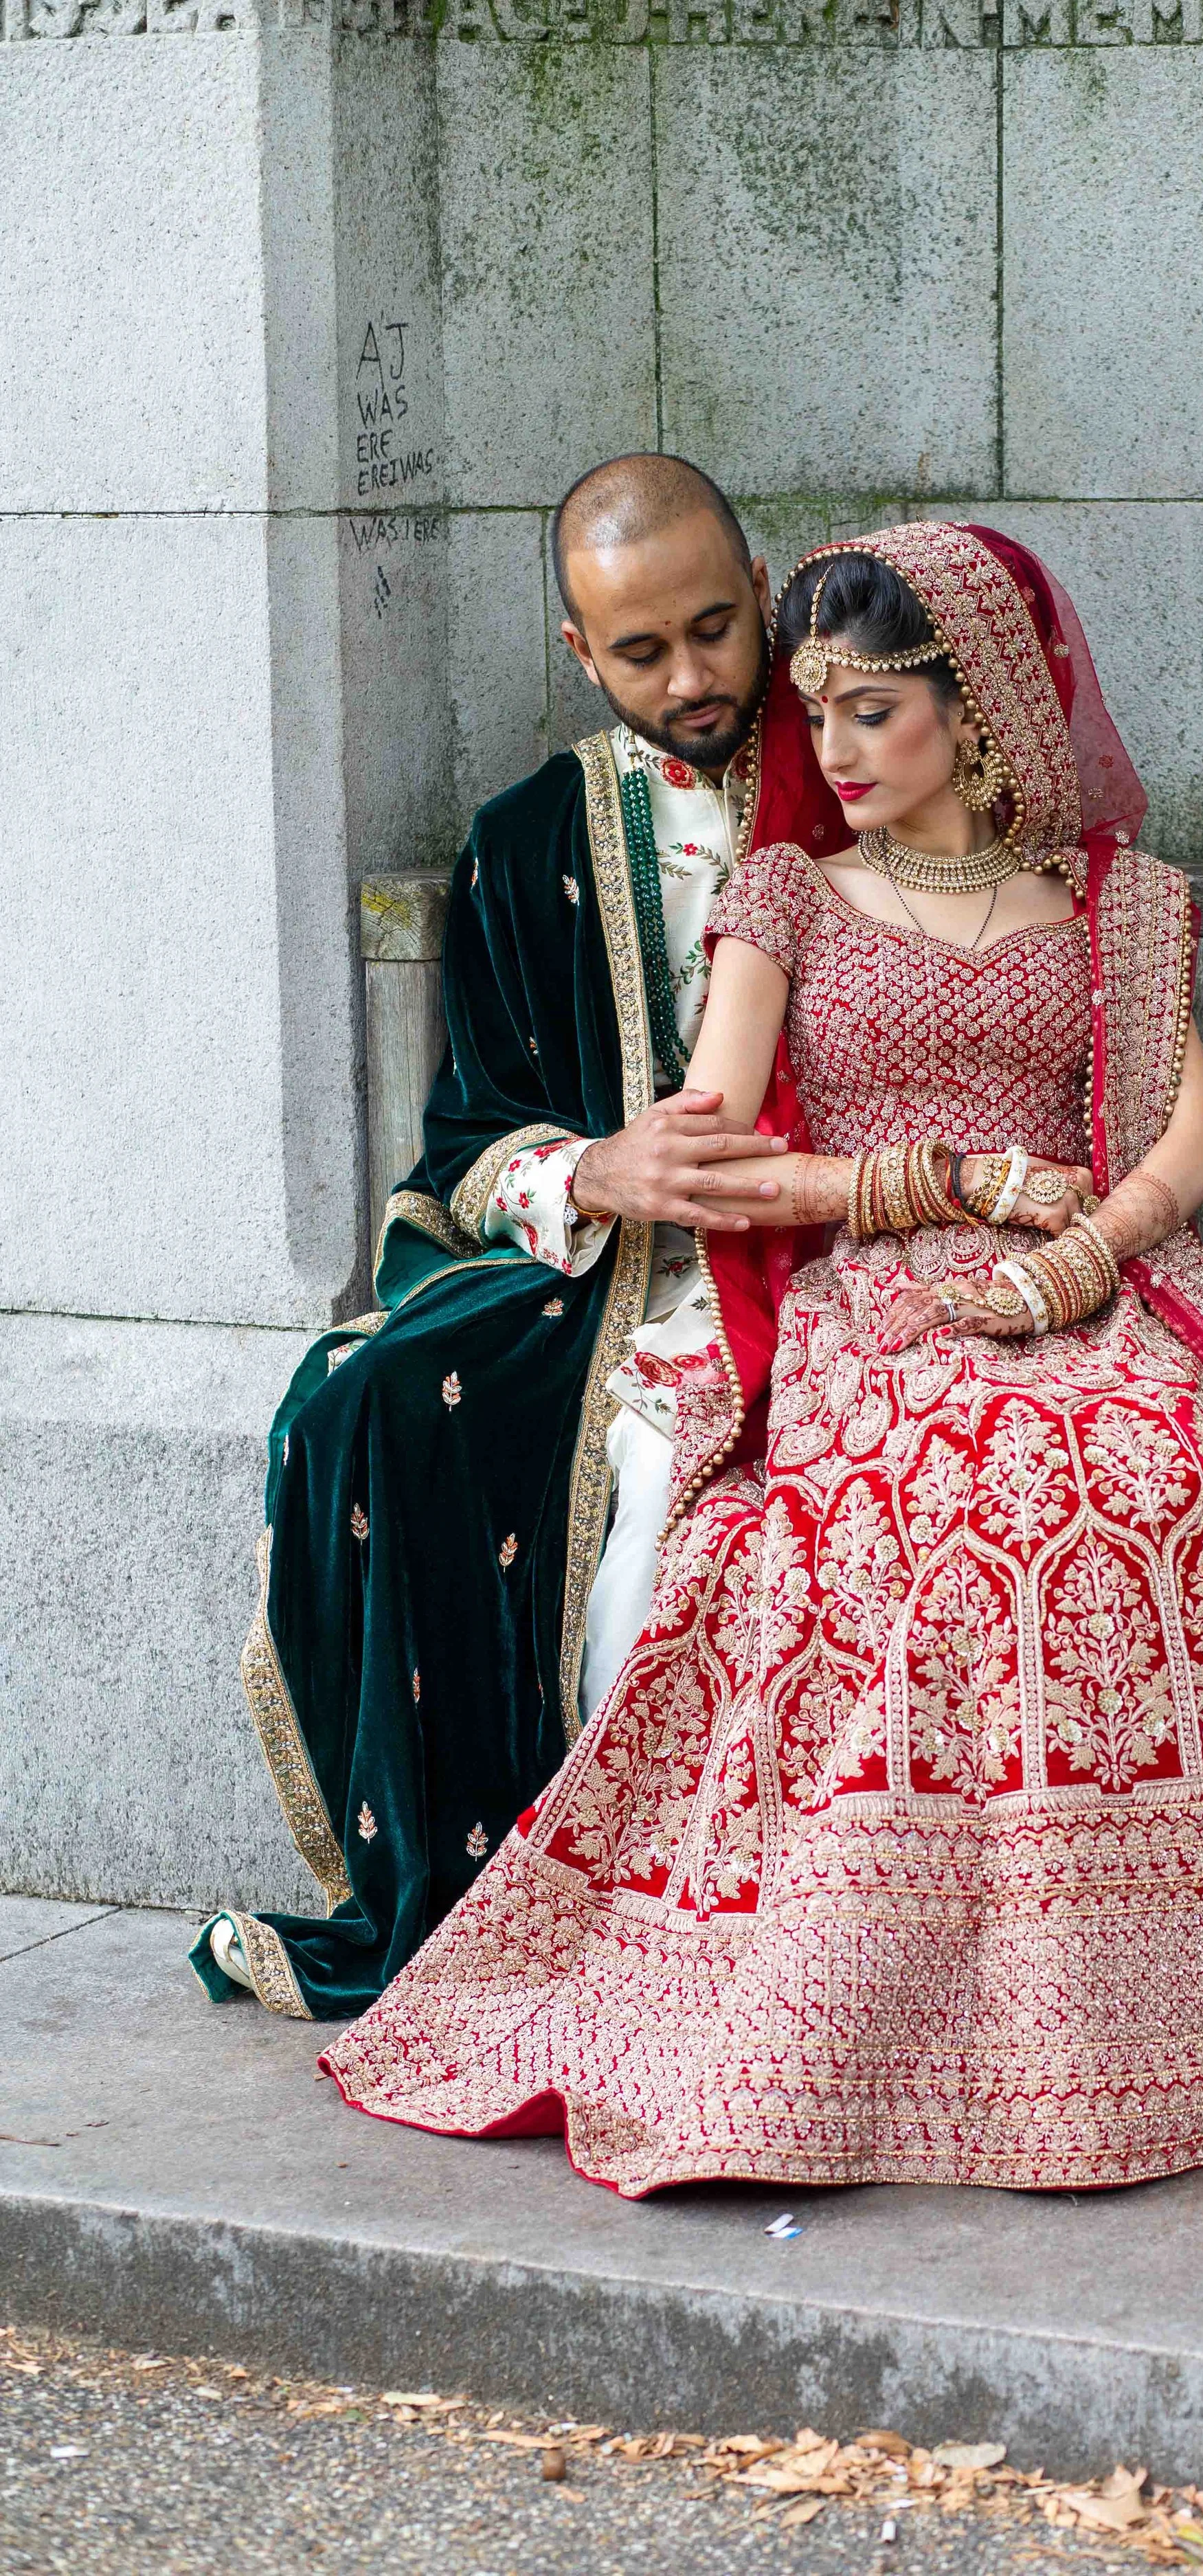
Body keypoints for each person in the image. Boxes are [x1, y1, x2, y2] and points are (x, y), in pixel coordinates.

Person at [319, 521, 1203, 2191]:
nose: (824, 751)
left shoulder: (1108, 907)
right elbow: (724, 1160)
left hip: (1088, 1276)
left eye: (868, 714)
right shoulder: (784, 895)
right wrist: (933, 1189)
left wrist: (1070, 1258)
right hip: (869, 1290)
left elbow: (1190, 1145)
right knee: (963, 1519)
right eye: (815, 714)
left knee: (1178, 1480)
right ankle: (901, 2023)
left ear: (974, 711)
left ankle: (1191, 2016)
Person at [192, 457, 859, 2021]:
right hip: (613, 1277)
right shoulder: (529, 840)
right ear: (578, 650)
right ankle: (466, 1900)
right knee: (360, 1400)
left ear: (763, 595)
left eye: (715, 630)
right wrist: (601, 1171)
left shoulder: (865, 769)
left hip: (848, 1255)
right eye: (643, 652)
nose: (691, 680)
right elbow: (464, 1152)